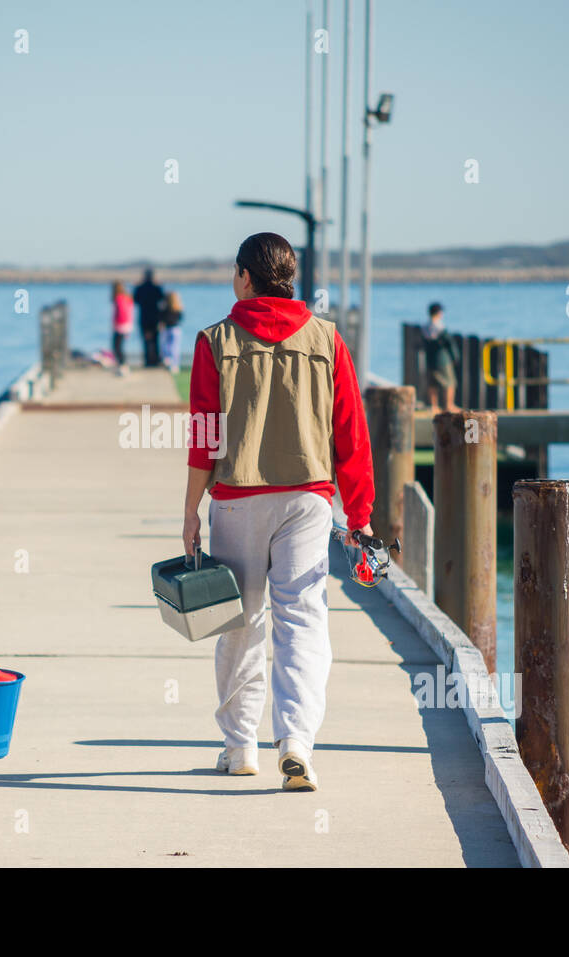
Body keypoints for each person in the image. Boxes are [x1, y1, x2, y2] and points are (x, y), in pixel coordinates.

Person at [183, 232, 374, 792]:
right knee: (303, 620)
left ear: (245, 276)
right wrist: (360, 516)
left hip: (237, 496)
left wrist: (190, 510)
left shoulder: (214, 340)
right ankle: (296, 742)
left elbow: (203, 434)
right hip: (309, 497)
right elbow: (351, 436)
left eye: (233, 272)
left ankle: (241, 747)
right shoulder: (327, 339)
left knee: (239, 621)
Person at [422, 302, 460, 413]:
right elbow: (449, 342)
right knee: (450, 382)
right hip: (442, 359)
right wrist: (455, 356)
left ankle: (434, 406)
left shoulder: (425, 326)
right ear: (439, 313)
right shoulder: (440, 326)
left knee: (432, 383)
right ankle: (449, 405)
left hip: (430, 359)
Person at [133, 268, 166, 368]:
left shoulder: (140, 288)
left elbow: (135, 300)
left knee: (146, 340)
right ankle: (155, 361)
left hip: (144, 317)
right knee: (155, 340)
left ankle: (148, 361)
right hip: (155, 317)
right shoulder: (156, 287)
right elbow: (162, 299)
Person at [111, 280, 134, 375]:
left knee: (117, 347)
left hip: (120, 325)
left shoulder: (119, 298)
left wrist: (116, 324)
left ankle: (122, 365)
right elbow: (129, 312)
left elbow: (120, 313)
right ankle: (122, 365)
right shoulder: (127, 298)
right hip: (127, 325)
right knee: (119, 346)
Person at [159, 290, 183, 371]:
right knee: (174, 348)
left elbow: (162, 319)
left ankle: (169, 361)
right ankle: (175, 364)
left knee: (167, 346)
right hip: (176, 329)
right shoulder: (178, 308)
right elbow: (180, 318)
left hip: (168, 329)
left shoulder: (165, 308)